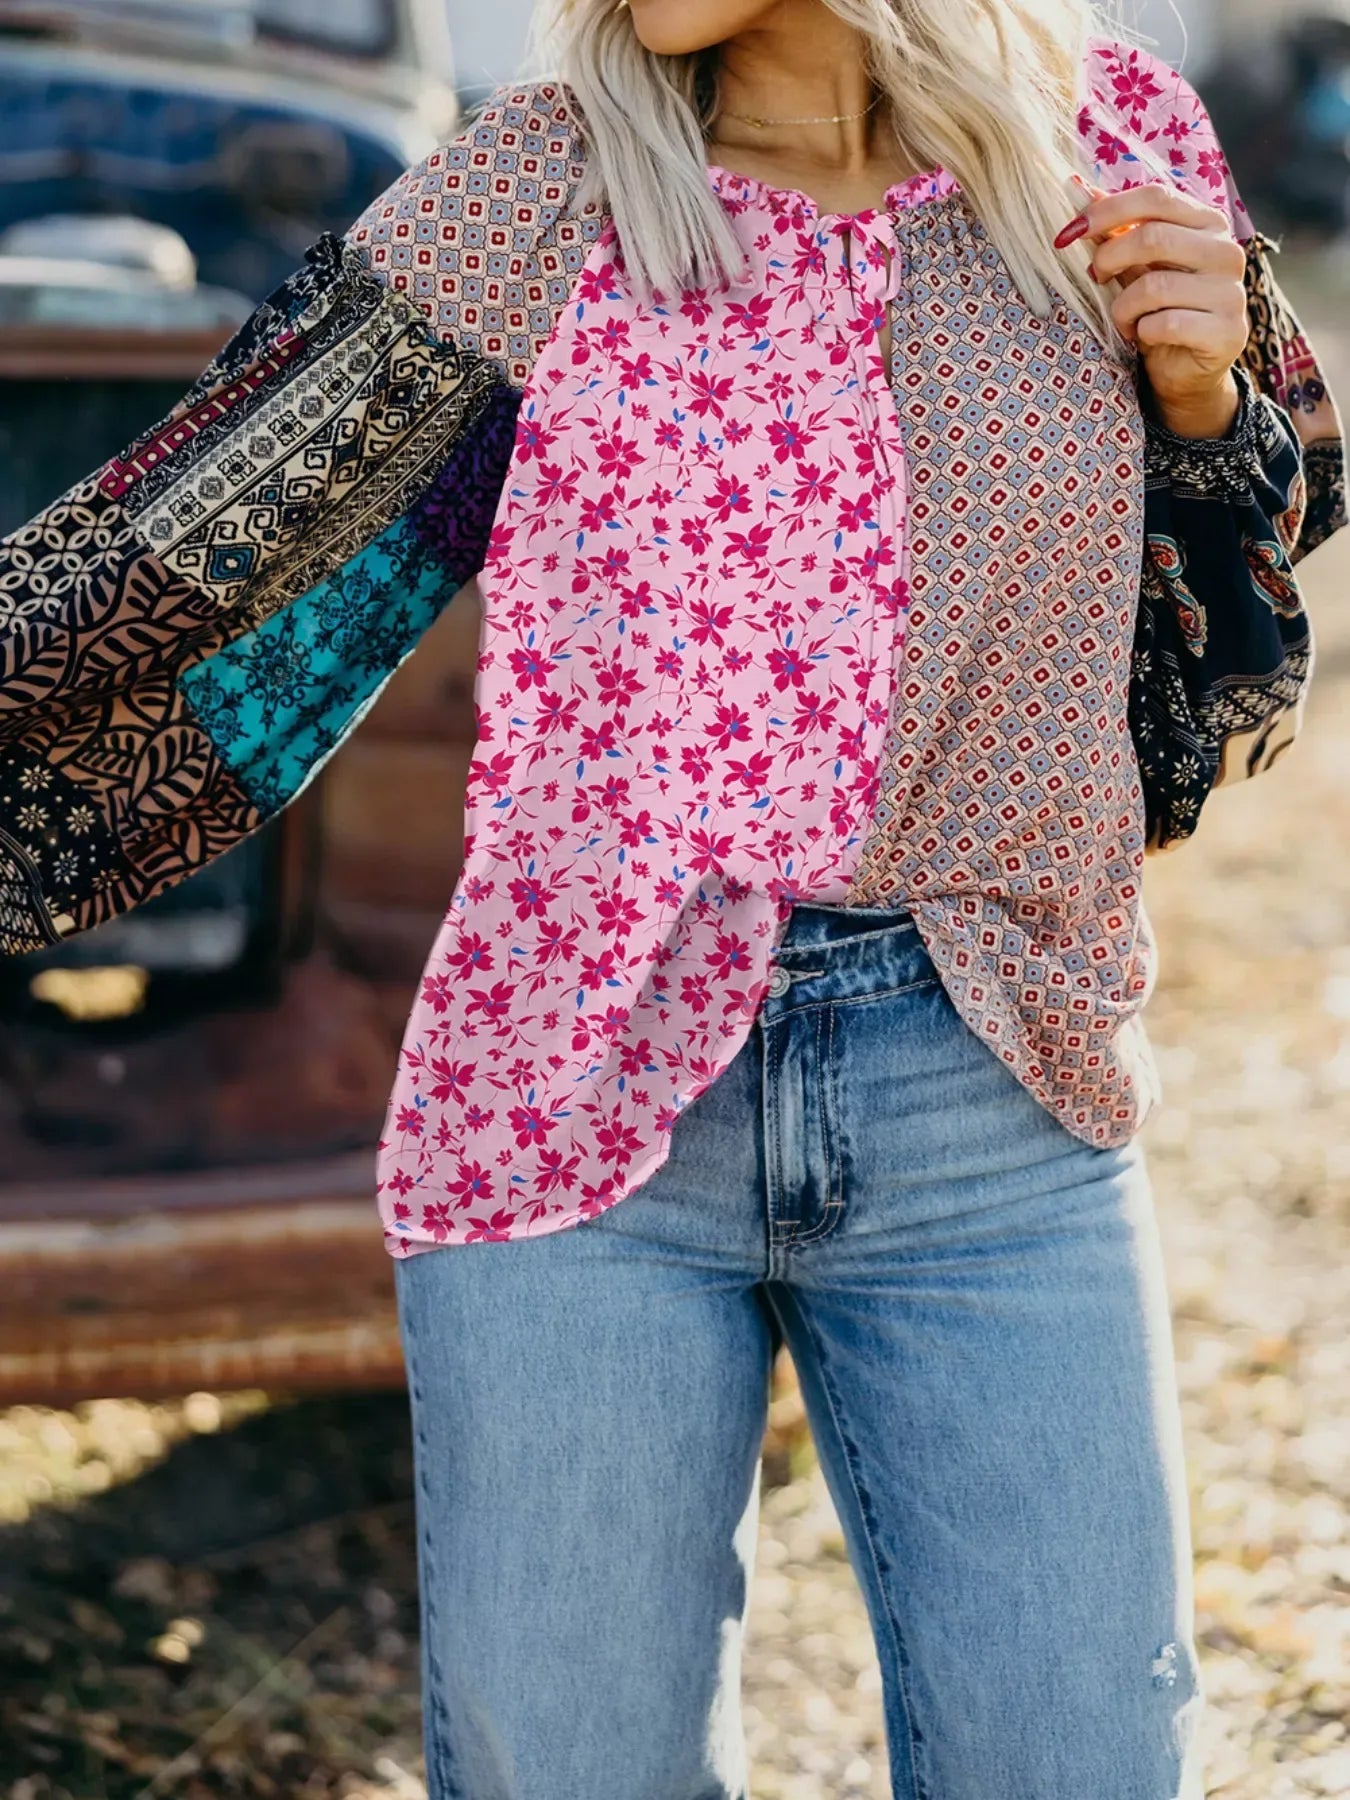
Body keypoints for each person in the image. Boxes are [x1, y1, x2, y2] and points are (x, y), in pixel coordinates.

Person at [1, 1, 1345, 1795]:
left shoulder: (1107, 149)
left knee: (1083, 1762)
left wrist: (1203, 401)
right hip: (569, 1099)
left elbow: (1207, 670)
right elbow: (178, 565)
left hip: (992, 1091)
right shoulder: (540, 189)